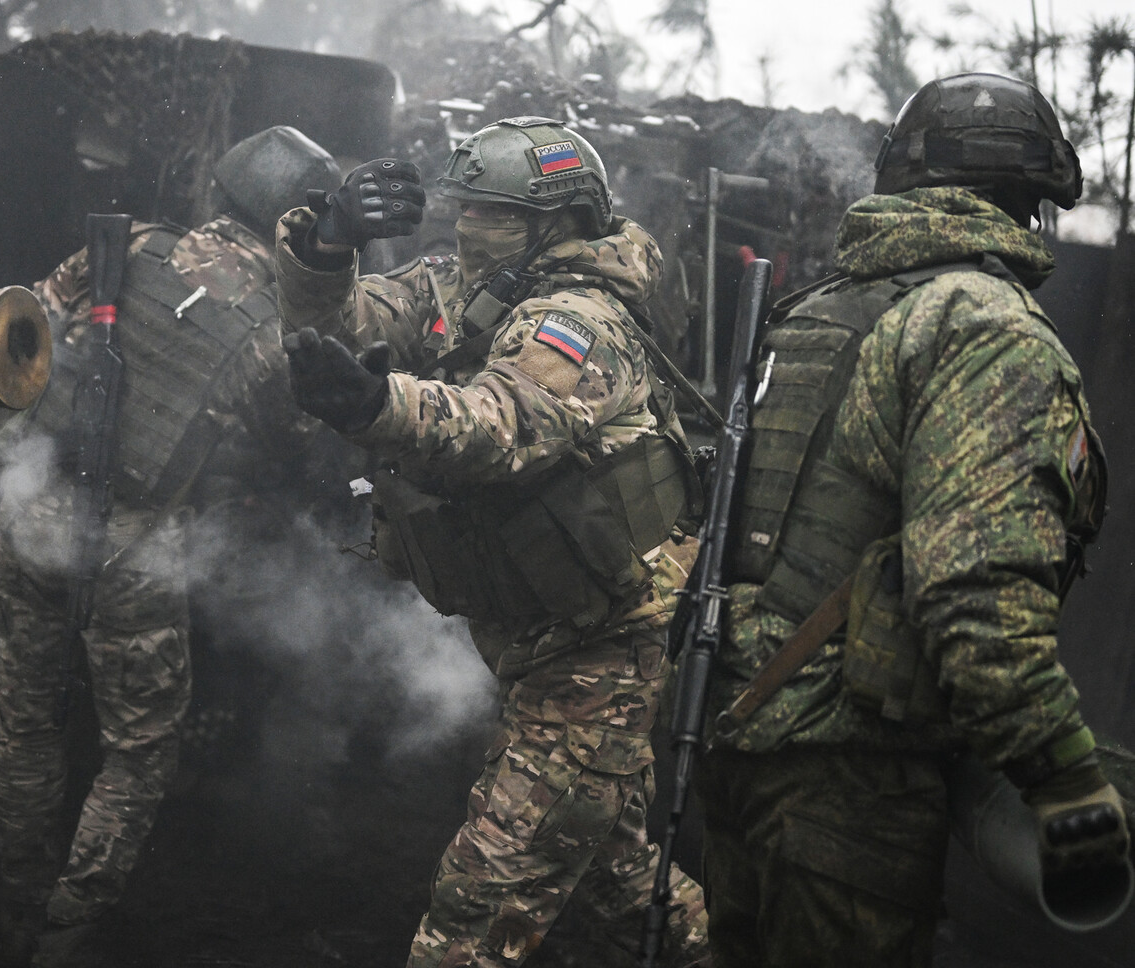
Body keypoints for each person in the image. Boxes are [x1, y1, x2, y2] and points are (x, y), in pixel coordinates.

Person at [696, 72, 1129, 967]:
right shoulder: (986, 329)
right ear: (1032, 200)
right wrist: (1066, 780)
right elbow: (976, 599)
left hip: (742, 746)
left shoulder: (817, 311)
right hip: (855, 780)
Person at [277, 116, 710, 967]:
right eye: (465, 207)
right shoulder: (465, 283)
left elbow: (502, 425)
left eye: (493, 212)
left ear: (556, 223)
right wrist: (330, 240)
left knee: (474, 914)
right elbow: (353, 317)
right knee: (623, 888)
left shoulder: (582, 321)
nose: (467, 225)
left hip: (596, 653)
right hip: (533, 636)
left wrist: (378, 408)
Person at [0, 126, 341, 966]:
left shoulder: (126, 245)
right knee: (137, 754)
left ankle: (19, 914)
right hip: (133, 553)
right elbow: (291, 444)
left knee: (25, 729)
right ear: (299, 226)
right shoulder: (266, 329)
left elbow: (23, 326)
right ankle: (67, 936)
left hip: (31, 516)